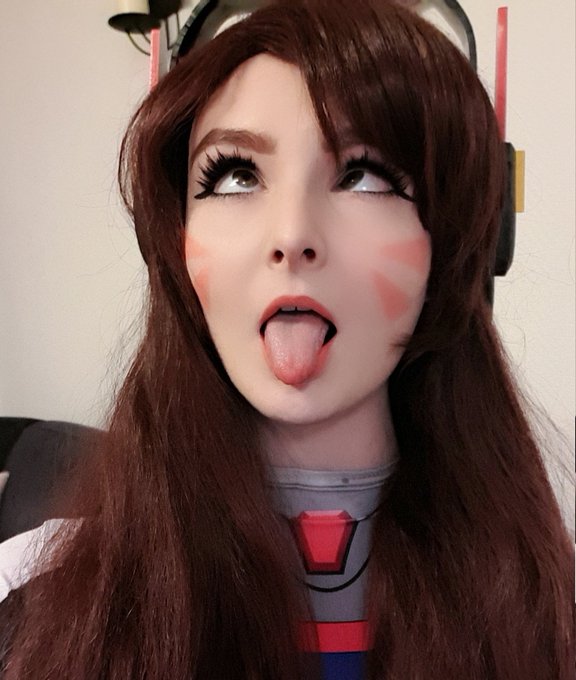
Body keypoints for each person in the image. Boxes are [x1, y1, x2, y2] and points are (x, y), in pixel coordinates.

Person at [0, 1, 573, 678]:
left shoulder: (548, 609)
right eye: (235, 174)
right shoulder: (30, 594)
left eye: (365, 175)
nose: (292, 234)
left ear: (457, 242)